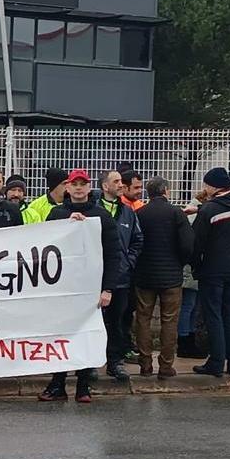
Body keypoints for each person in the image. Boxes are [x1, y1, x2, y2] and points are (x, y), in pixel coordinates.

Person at [39, 169, 121, 403]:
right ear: (67, 187)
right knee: (61, 336)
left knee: (85, 336)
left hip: (91, 289)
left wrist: (108, 289)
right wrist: (67, 225)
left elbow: (113, 254)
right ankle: (58, 384)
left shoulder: (101, 216)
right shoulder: (56, 213)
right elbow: (44, 245)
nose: (78, 188)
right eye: (73, 184)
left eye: (82, 184)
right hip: (62, 288)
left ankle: (83, 386)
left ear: (88, 187)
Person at [131, 176, 193, 377]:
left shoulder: (139, 213)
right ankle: (166, 365)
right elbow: (187, 244)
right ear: (165, 190)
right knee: (170, 320)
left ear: (148, 193)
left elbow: (134, 242)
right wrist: (179, 262)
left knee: (143, 318)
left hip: (144, 275)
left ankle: (145, 363)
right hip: (171, 276)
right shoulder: (176, 213)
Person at [190, 167, 230, 380]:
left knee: (213, 315)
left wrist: (195, 266)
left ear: (212, 186)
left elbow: (196, 242)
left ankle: (216, 362)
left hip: (213, 268)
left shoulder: (210, 209)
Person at [94, 169, 143, 380]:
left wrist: (128, 262)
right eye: (116, 181)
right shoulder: (93, 209)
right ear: (105, 186)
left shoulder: (127, 212)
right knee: (94, 323)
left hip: (120, 278)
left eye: (122, 181)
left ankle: (115, 362)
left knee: (117, 322)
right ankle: (91, 364)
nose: (121, 184)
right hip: (93, 278)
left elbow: (137, 239)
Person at [177, 195, 208, 359]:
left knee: (191, 305)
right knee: (189, 305)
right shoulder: (195, 214)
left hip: (190, 266)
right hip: (191, 267)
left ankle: (186, 339)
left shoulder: (193, 212)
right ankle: (185, 340)